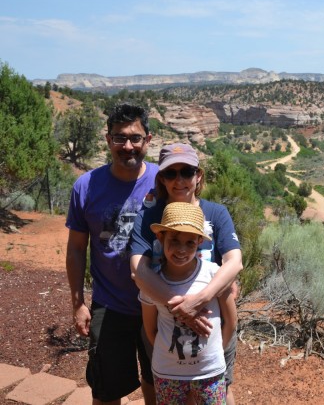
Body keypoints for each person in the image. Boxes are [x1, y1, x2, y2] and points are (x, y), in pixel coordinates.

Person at [130, 143, 243, 404]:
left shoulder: (216, 213)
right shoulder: (150, 216)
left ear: (198, 176)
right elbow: (139, 269)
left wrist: (199, 301)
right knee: (159, 384)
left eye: (187, 172)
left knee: (222, 386)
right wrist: (181, 307)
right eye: (171, 174)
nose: (179, 180)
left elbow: (234, 262)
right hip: (165, 324)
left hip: (214, 323)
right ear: (162, 179)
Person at [65, 102, 158, 405]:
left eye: (135, 138)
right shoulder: (86, 186)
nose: (127, 146)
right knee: (106, 391)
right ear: (108, 140)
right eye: (119, 137)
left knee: (156, 382)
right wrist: (78, 303)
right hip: (109, 305)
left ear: (148, 139)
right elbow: (77, 248)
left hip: (158, 303)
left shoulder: (164, 182)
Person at [141, 202, 237, 404]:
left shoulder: (213, 274)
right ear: (161, 237)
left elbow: (231, 322)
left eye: (190, 243)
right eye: (174, 240)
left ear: (199, 242)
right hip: (167, 373)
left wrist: (215, 353)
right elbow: (150, 330)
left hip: (210, 372)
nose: (181, 250)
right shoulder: (152, 283)